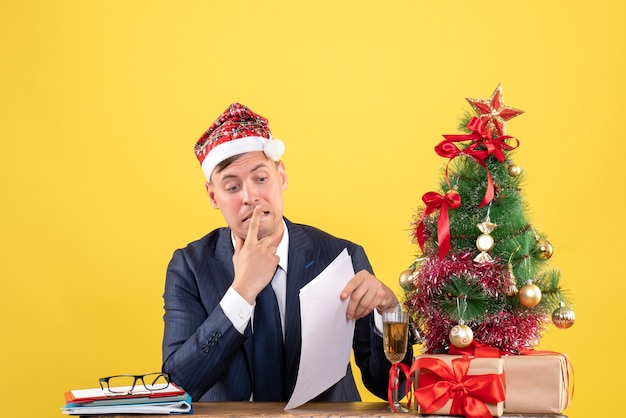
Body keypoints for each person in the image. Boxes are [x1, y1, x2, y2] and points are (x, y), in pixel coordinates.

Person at [161, 103, 413, 402]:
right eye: (231, 187)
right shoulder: (189, 266)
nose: (250, 196)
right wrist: (241, 293)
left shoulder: (340, 256)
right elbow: (178, 386)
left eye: (261, 178)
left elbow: (393, 387)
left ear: (281, 176)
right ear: (213, 196)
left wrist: (388, 316)